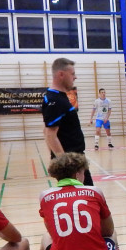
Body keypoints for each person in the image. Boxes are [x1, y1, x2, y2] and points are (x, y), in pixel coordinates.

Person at [36, 153, 123, 250]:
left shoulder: (45, 196)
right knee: (113, 236)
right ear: (77, 174)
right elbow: (108, 230)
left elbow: (52, 232)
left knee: (46, 238)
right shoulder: (94, 192)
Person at [43, 58, 92, 186]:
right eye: (72, 74)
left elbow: (46, 131)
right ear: (61, 74)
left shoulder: (58, 97)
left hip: (76, 161)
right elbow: (50, 134)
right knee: (87, 199)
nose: (75, 77)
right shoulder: (55, 100)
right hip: (72, 165)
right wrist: (67, 165)